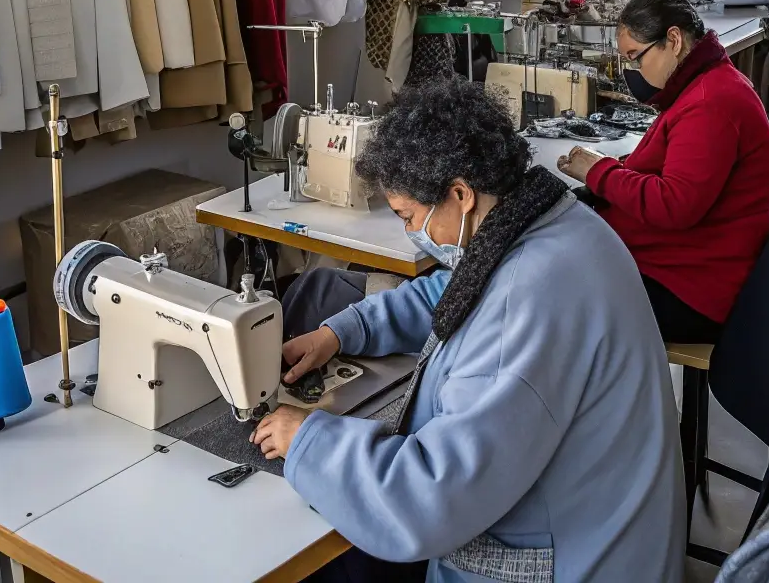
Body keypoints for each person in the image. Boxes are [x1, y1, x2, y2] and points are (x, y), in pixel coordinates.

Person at [251, 77, 685, 583]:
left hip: (577, 561)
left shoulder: (530, 294)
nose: (411, 234)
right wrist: (344, 331)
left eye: (409, 216)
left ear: (460, 193)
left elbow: (430, 499)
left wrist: (308, 441)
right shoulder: (551, 223)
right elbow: (454, 293)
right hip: (607, 527)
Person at [558, 0, 769, 344]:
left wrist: (600, 173)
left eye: (636, 58)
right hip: (687, 265)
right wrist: (606, 175)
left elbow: (675, 204)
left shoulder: (710, 104)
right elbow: (669, 168)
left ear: (673, 40)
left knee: (556, 300)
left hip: (696, 291)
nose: (634, 72)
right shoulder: (703, 86)